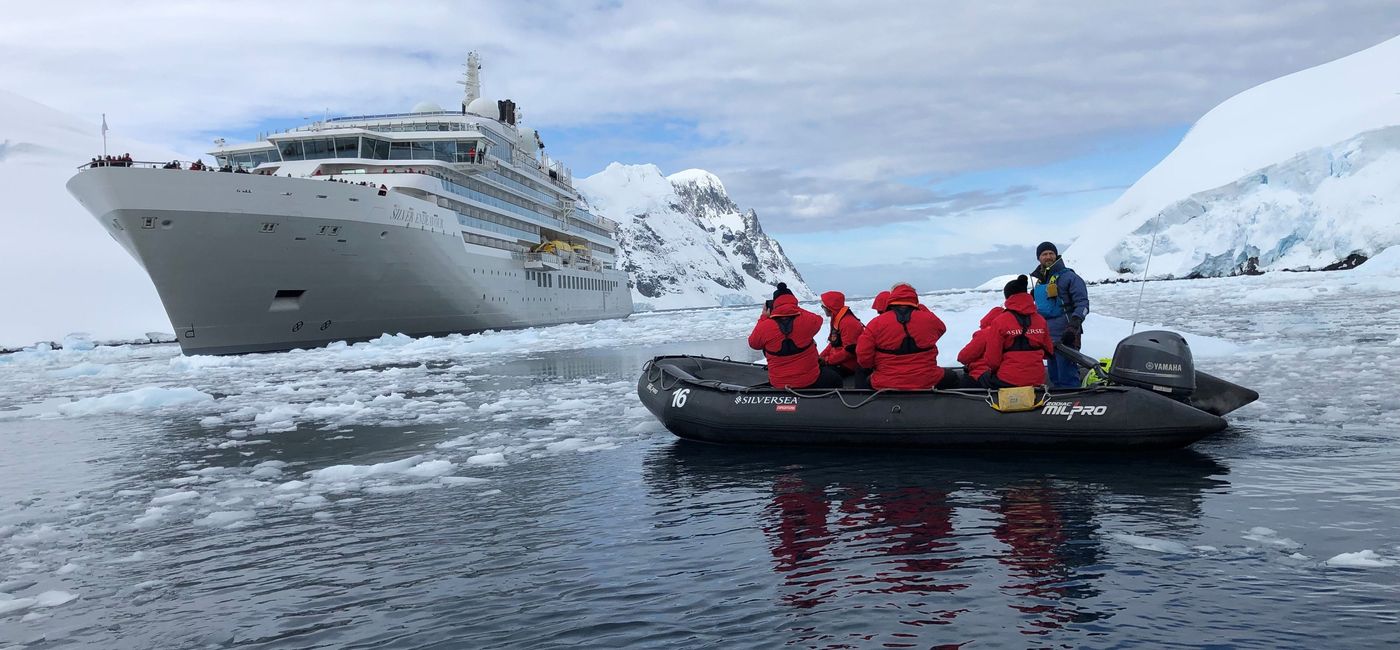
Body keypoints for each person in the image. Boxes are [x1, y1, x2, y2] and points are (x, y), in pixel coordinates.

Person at [958, 275, 1053, 389]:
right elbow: (1049, 351)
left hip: (1008, 379)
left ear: (1008, 297)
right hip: (1037, 378)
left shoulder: (1000, 321)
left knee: (970, 382)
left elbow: (992, 360)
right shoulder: (1040, 320)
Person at [855, 283, 952, 390]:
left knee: (865, 380)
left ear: (892, 297)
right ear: (914, 297)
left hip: (886, 381)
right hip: (927, 379)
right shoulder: (930, 319)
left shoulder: (875, 323)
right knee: (952, 377)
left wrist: (876, 366)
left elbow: (863, 357)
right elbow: (941, 329)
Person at [748, 283, 843, 389]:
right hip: (809, 379)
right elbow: (818, 319)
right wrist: (794, 308)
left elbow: (753, 343)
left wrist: (764, 317)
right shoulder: (808, 321)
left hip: (779, 383)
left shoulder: (764, 327)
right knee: (836, 379)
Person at [1030, 242, 1090, 388]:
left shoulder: (1069, 277)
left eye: (1051, 253)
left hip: (1067, 334)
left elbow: (1083, 303)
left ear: (1056, 255)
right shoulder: (1038, 282)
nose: (1048, 256)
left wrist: (1074, 324)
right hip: (1048, 336)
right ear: (1039, 258)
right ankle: (1057, 406)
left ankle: (1073, 404)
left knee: (1067, 375)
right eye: (1044, 254)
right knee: (1054, 375)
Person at [817, 291, 864, 376]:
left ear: (829, 307)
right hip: (838, 360)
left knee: (816, 375)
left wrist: (827, 360)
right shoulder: (839, 319)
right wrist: (821, 357)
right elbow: (834, 343)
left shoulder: (848, 323)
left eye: (823, 306)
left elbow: (850, 351)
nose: (822, 309)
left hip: (848, 365)